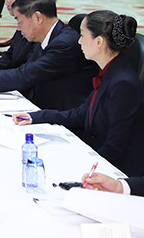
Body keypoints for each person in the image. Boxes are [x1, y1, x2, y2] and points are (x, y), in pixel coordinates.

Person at [13, 11, 144, 176]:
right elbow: (80, 114)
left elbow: (115, 146)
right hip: (98, 155)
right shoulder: (109, 71)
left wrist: (82, 168)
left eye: (82, 35)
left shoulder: (122, 83)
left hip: (116, 171)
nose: (79, 41)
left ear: (98, 42)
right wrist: (36, 117)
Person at [0, 0, 98, 111]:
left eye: (19, 21)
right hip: (41, 104)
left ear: (38, 18)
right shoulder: (47, 37)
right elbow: (25, 70)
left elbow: (25, 76)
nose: (18, 27)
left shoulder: (64, 44)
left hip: (63, 114)